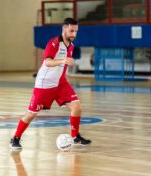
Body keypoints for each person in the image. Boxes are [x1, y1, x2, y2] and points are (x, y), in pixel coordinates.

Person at [10, 17, 91, 151]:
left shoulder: (71, 46)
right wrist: (63, 60)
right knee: (31, 114)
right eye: (71, 31)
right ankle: (15, 138)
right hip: (44, 84)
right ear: (64, 29)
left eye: (76, 31)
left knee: (76, 107)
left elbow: (63, 67)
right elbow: (47, 62)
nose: (74, 34)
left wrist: (65, 79)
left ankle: (75, 136)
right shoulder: (54, 43)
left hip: (60, 83)